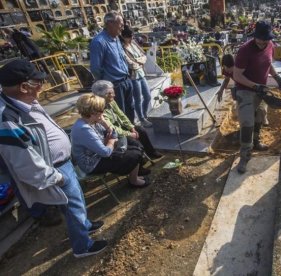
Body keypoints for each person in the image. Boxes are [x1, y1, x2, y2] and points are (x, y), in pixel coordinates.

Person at [0, 59, 106, 258]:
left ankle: (86, 225)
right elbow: (25, 162)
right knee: (73, 206)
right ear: (23, 86)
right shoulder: (7, 119)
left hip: (63, 163)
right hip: (54, 169)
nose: (42, 86)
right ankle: (82, 247)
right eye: (37, 82)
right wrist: (57, 177)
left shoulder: (25, 101)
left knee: (77, 201)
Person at [232, 21, 281, 174]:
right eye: (259, 39)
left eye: (265, 39)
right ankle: (245, 155)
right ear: (254, 36)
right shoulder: (244, 51)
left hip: (261, 89)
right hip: (245, 89)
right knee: (247, 121)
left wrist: (278, 77)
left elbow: (268, 64)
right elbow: (237, 75)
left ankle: (256, 142)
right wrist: (255, 86)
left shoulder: (270, 45)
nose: (262, 42)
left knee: (260, 116)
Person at [71, 94, 150, 188]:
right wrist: (111, 141)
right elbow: (106, 152)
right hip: (92, 163)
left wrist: (106, 125)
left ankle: (134, 177)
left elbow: (114, 134)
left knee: (136, 147)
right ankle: (133, 181)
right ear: (93, 113)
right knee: (134, 155)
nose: (103, 112)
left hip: (99, 154)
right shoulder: (83, 129)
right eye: (101, 110)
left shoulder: (94, 121)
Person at [91, 80, 163, 160]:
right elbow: (112, 129)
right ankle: (139, 165)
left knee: (141, 130)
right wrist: (129, 134)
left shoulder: (111, 101)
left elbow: (121, 115)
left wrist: (131, 127)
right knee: (136, 144)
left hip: (121, 128)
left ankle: (151, 152)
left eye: (113, 92)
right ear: (101, 96)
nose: (114, 95)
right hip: (112, 134)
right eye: (110, 94)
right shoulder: (99, 109)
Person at [90, 11, 135, 123]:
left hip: (126, 81)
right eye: (121, 24)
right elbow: (95, 68)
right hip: (114, 85)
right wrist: (106, 86)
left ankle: (133, 132)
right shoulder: (99, 42)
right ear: (110, 23)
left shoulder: (116, 38)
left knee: (130, 110)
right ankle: (126, 138)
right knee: (120, 114)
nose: (123, 27)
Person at [119, 26, 152, 128]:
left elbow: (144, 56)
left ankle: (145, 114)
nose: (132, 38)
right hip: (133, 76)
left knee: (147, 96)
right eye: (129, 36)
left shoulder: (133, 44)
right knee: (137, 99)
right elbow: (130, 64)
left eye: (132, 36)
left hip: (141, 73)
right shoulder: (122, 48)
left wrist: (138, 60)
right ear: (124, 37)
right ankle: (142, 119)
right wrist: (139, 61)